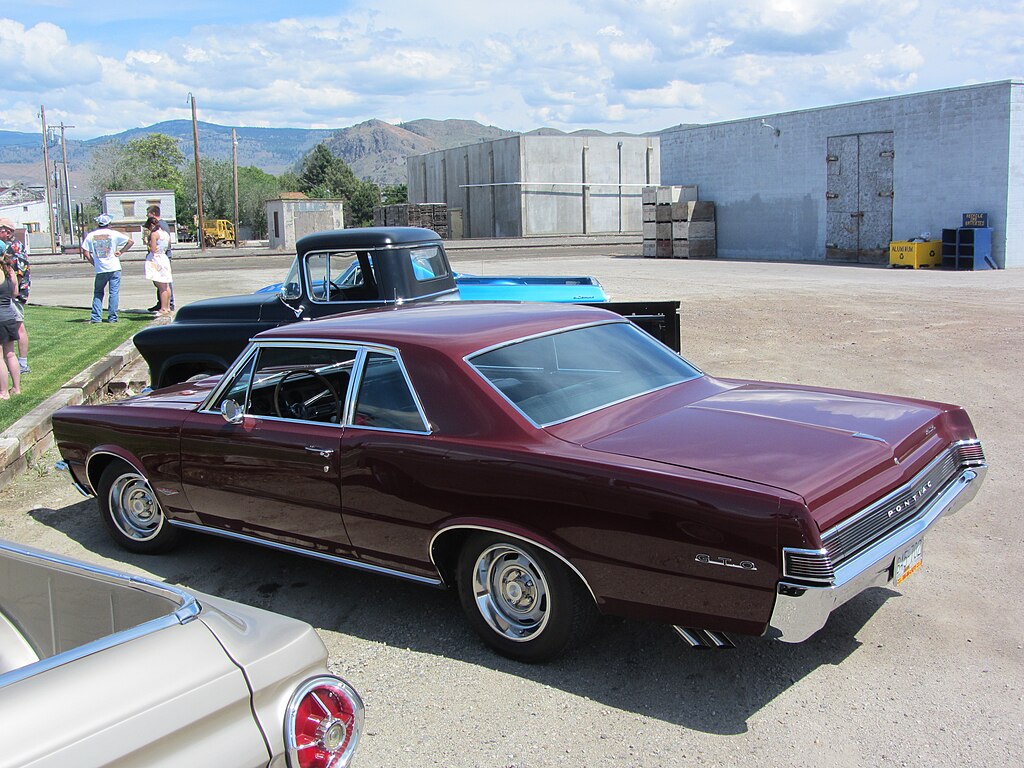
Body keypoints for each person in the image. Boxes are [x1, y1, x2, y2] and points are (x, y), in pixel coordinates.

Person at [81, 214, 133, 324]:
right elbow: (130, 242)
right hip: (114, 267)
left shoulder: (91, 235)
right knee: (113, 293)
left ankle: (96, 317)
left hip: (100, 269)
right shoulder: (113, 234)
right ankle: (112, 317)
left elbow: (86, 252)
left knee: (98, 292)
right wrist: (121, 251)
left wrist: (94, 263)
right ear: (109, 224)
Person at [0, 218, 29, 373]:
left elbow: (18, 272)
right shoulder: (7, 246)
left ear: (8, 231)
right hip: (8, 294)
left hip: (14, 295)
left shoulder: (14, 247)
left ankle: (23, 363)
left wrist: (10, 292)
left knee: (18, 326)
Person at [0, 249, 21, 399]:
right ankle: (16, 388)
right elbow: (15, 293)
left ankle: (3, 392)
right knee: (11, 354)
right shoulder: (9, 270)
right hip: (9, 316)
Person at [146, 205, 174, 311]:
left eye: (148, 214)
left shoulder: (156, 231)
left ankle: (166, 305)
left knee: (162, 284)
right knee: (165, 284)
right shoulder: (164, 229)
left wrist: (148, 243)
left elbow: (153, 249)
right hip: (164, 257)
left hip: (159, 257)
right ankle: (164, 305)